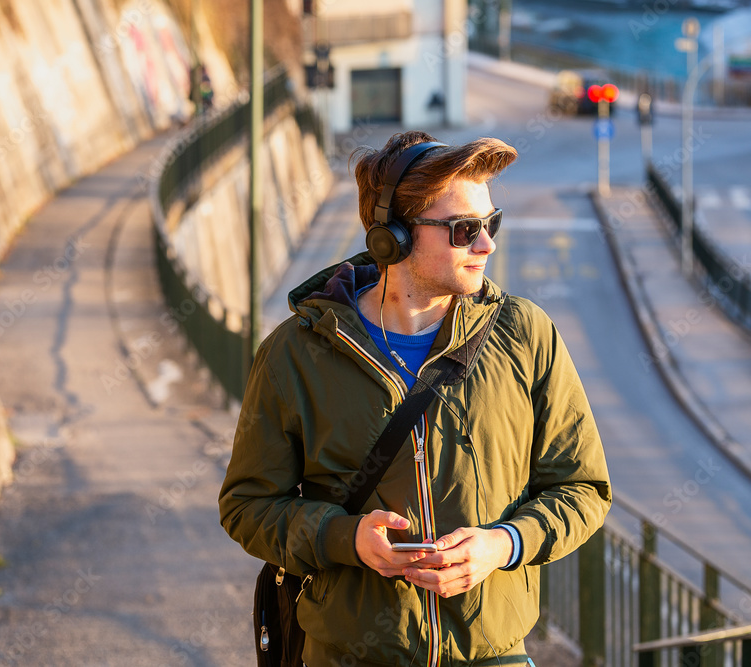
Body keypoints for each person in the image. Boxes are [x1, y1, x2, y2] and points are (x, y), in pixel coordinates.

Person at [219, 131, 612, 666]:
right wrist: (343, 537)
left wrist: (504, 544)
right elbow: (248, 506)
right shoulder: (294, 354)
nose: (487, 245)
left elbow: (583, 488)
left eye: (491, 223)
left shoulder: (526, 335)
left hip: (492, 656)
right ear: (393, 238)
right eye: (464, 229)